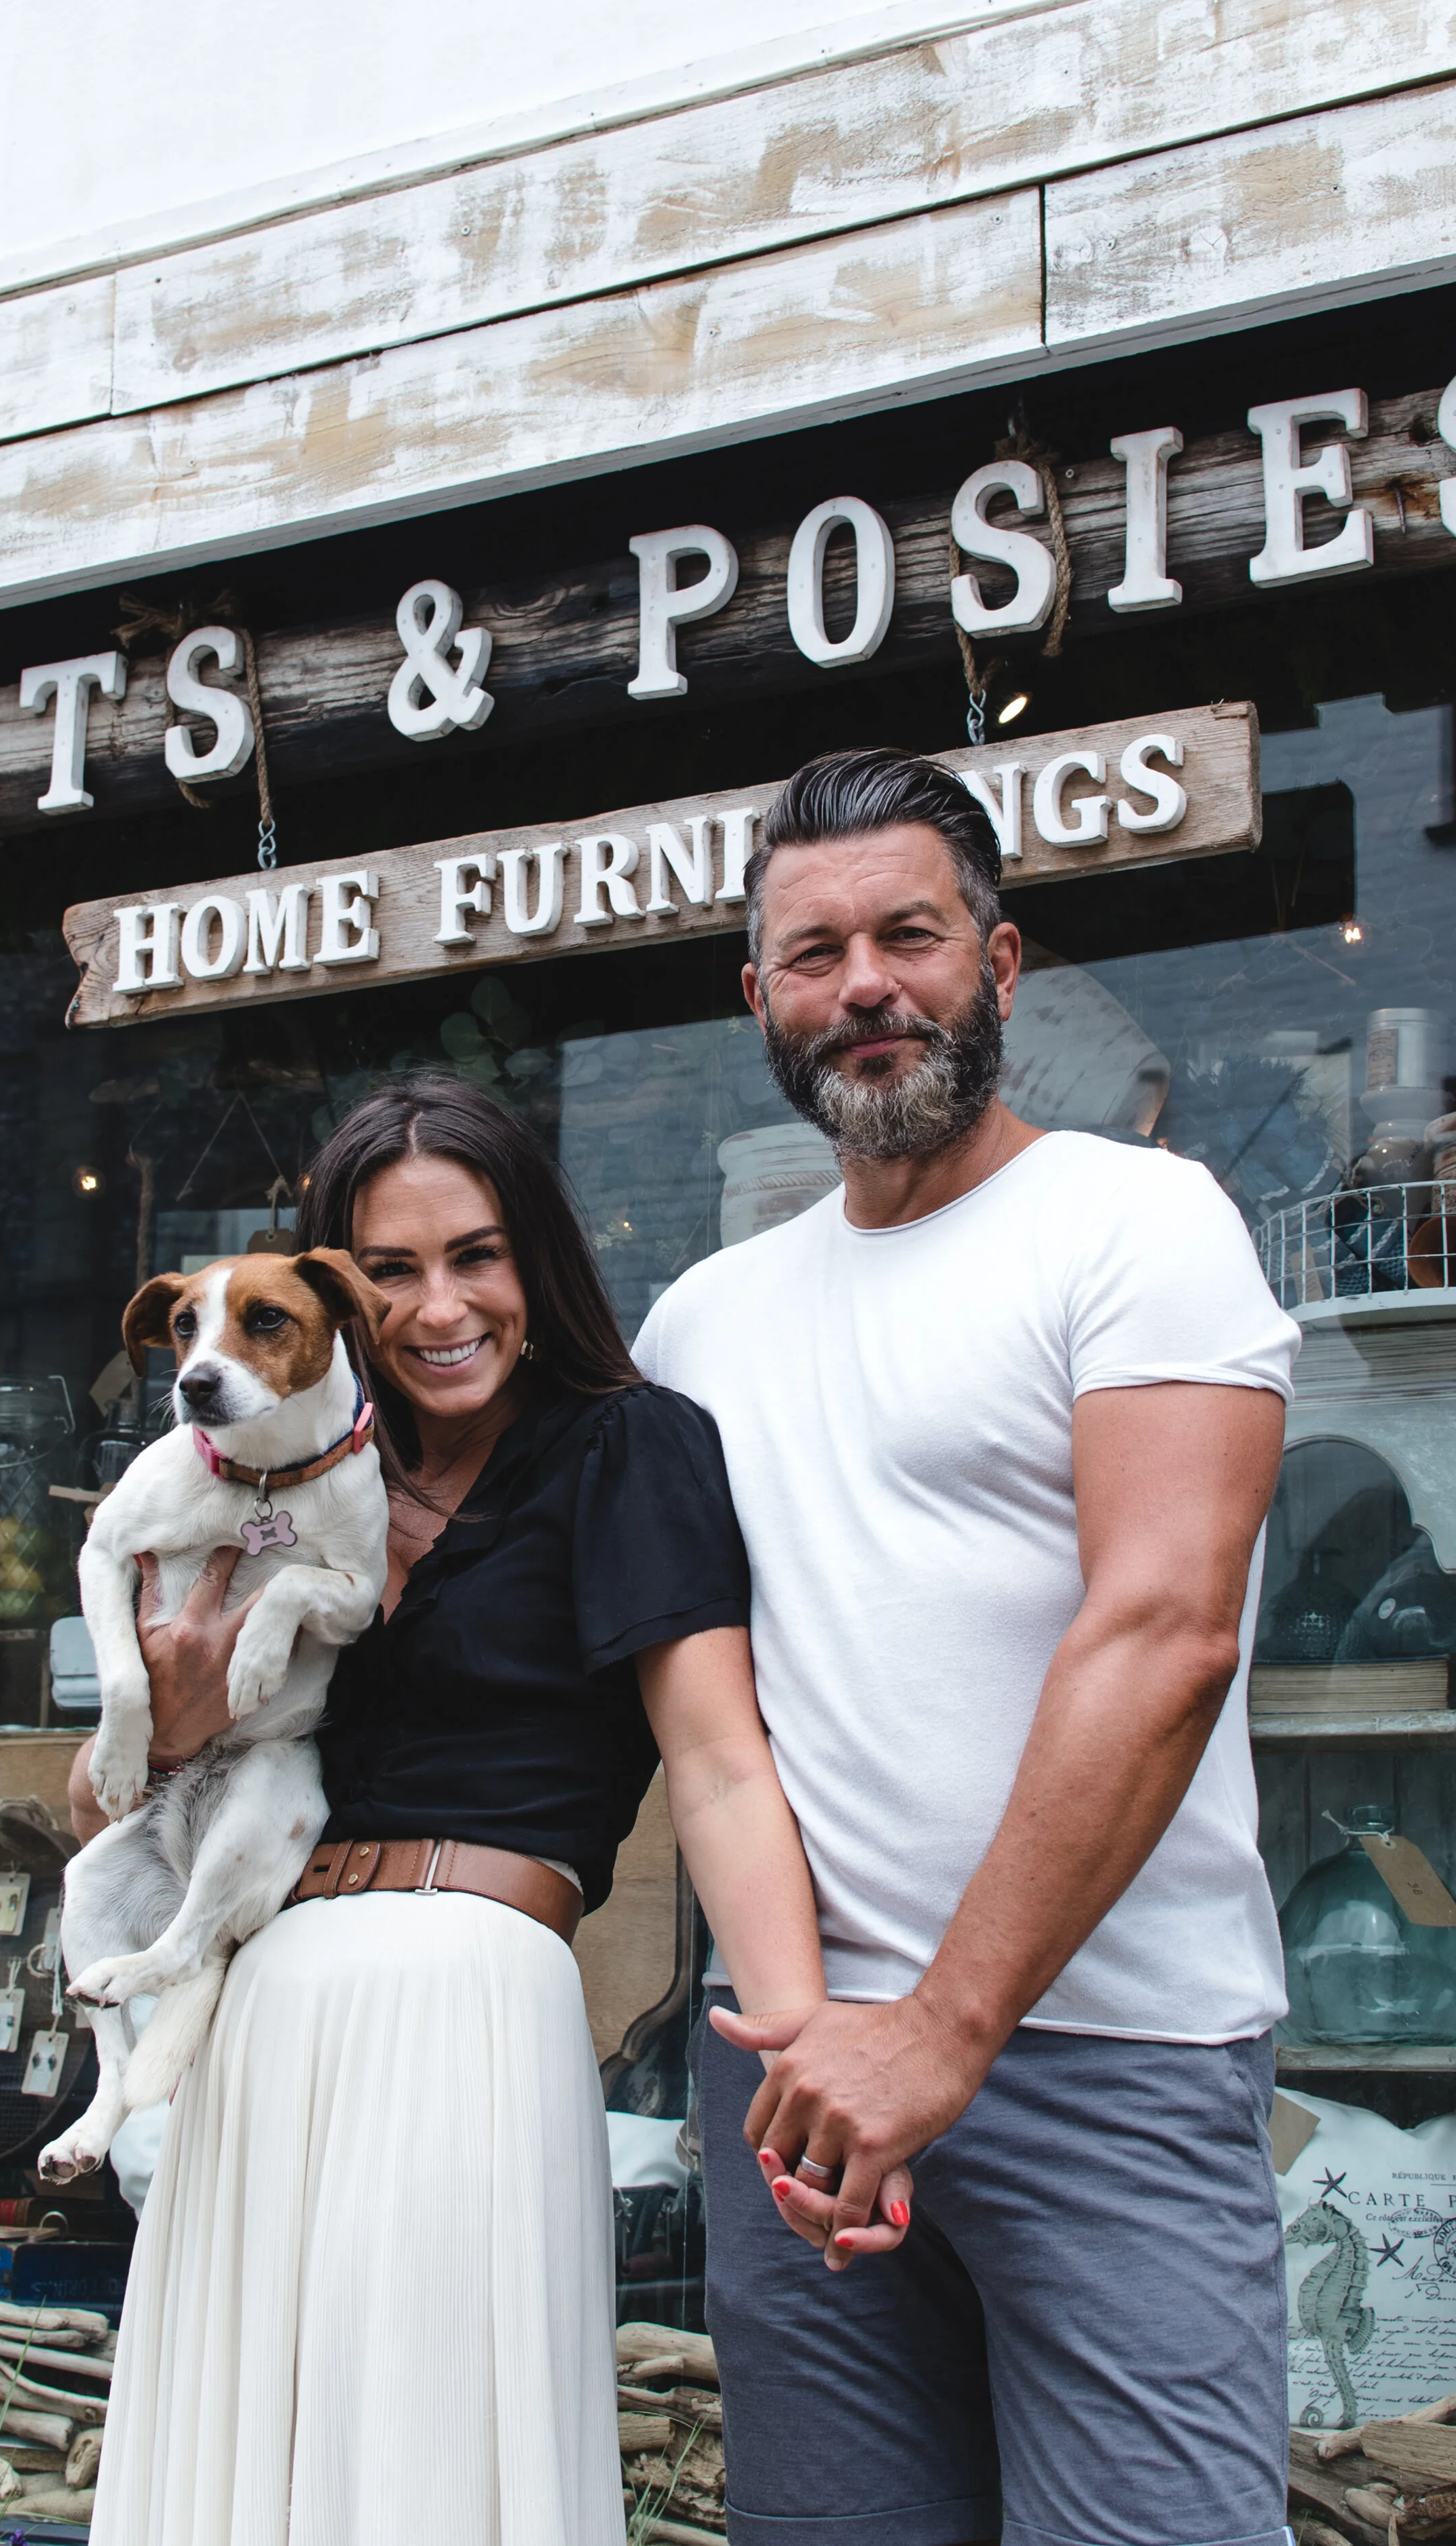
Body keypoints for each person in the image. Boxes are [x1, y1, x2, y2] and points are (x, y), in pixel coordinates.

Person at [634, 748, 1301, 2546]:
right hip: (794, 2074)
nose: (863, 983)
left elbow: (1164, 1632)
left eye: (908, 935)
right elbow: (698, 1721)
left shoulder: (1133, 1220)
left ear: (996, 963)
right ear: (757, 998)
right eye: (812, 951)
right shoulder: (699, 1324)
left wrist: (942, 2028)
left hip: (1105, 2050)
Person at [79, 1074, 832, 2546]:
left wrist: (800, 2051)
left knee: (424, 2471)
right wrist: (169, 1708)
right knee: (241, 2493)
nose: (437, 1307)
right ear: (336, 1296)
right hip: (258, 2009)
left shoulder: (627, 1446)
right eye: (393, 1268)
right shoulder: (275, 1473)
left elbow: (720, 1767)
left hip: (465, 1996)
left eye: (474, 1255)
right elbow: (103, 1800)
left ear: (534, 1258)